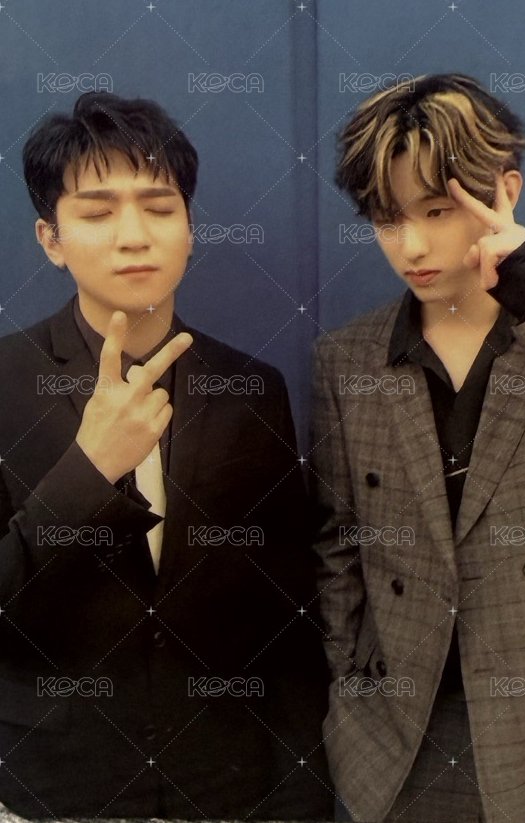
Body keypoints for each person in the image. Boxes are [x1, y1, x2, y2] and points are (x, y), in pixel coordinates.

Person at [0, 92, 332, 820]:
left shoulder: (251, 388)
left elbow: (286, 614)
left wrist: (301, 794)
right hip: (52, 787)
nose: (134, 236)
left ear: (189, 229)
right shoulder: (4, 380)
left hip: (224, 783)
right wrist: (88, 471)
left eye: (159, 207)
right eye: (97, 213)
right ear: (51, 239)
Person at [310, 73, 525, 823]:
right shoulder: (347, 359)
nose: (410, 245)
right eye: (387, 219)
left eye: (437, 211)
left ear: (505, 190)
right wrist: (350, 685)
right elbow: (339, 543)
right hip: (404, 739)